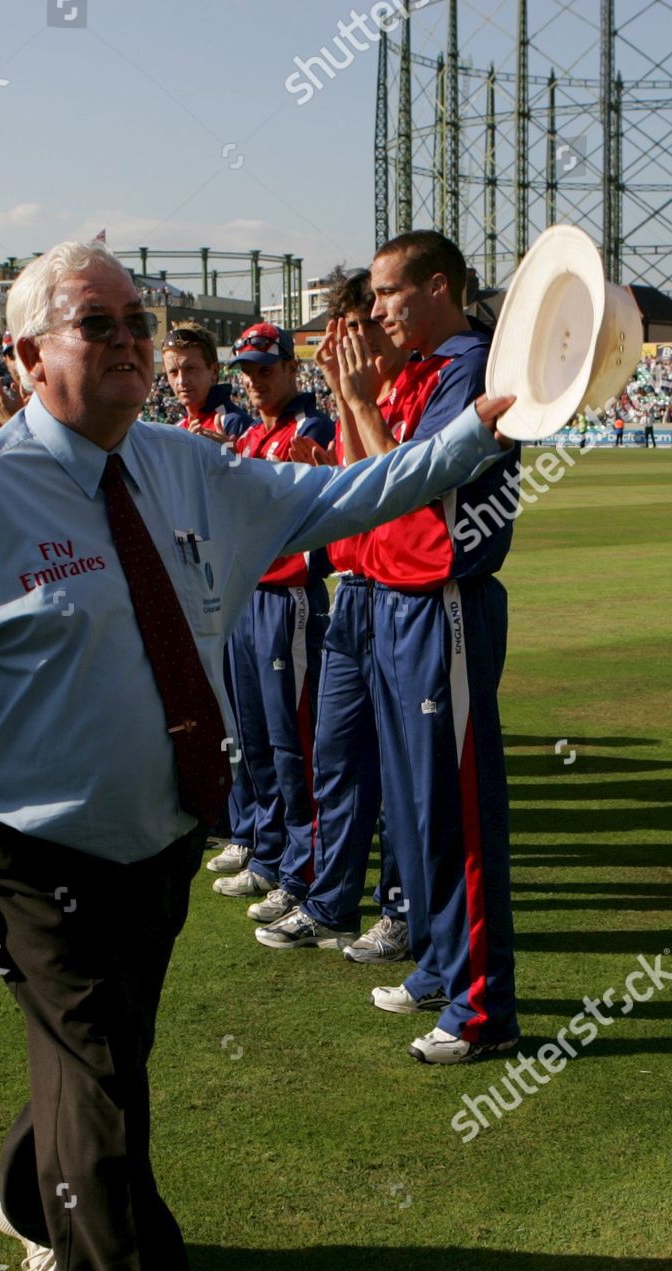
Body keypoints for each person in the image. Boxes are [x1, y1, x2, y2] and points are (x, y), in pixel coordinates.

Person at [0, 238, 512, 1271]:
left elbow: (351, 498)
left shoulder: (185, 466)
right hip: (33, 847)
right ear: (28, 355)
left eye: (137, 323)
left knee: (95, 1060)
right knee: (105, 1091)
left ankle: (19, 1184)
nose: (132, 343)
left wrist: (485, 419)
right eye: (99, 325)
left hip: (158, 836)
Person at [337, 230, 522, 1064]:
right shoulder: (421, 372)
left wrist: (365, 407)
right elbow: (365, 495)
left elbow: (415, 482)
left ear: (436, 287)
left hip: (442, 604)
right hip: (396, 603)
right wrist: (358, 402)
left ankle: (485, 1010)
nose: (376, 311)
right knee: (415, 807)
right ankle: (446, 965)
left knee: (459, 810)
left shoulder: (473, 368)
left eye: (387, 294)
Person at [254, 269, 410, 956]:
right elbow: (360, 488)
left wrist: (352, 402)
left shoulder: (414, 390)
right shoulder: (369, 394)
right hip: (355, 591)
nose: (346, 346)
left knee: (401, 772)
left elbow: (405, 490)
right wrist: (342, 428)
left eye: (355, 331)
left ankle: (401, 911)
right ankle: (331, 901)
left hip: (401, 596)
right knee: (336, 758)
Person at [211, 323, 335, 926]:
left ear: (291, 368)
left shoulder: (310, 427)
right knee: (254, 737)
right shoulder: (255, 433)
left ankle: (300, 868)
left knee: (294, 744)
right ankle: (267, 849)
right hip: (247, 595)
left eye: (265, 368)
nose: (254, 381)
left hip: (289, 600)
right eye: (247, 371)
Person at [162, 321, 257, 877]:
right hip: (201, 588)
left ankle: (249, 831)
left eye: (190, 370)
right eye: (173, 372)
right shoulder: (181, 426)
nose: (181, 381)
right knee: (219, 715)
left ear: (214, 371)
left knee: (250, 724)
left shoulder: (231, 422)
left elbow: (250, 488)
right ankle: (231, 820)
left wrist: (228, 457)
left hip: (239, 588)